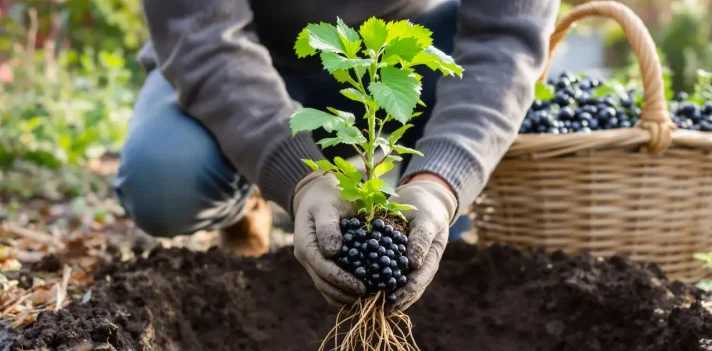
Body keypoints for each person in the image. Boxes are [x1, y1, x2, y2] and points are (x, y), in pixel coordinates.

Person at [114, 0, 560, 311]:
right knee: (163, 179)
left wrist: (441, 183)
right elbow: (201, 36)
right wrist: (299, 176)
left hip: (388, 66)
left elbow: (506, 38)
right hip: (234, 61)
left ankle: (441, 255)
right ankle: (249, 199)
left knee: (434, 259)